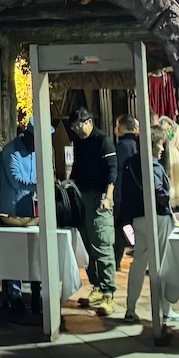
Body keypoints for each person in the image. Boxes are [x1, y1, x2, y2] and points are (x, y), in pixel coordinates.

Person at [120, 127, 179, 324]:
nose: (162, 148)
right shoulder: (153, 166)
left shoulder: (130, 164)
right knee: (162, 262)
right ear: (152, 144)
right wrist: (166, 195)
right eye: (160, 144)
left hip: (138, 218)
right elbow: (159, 192)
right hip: (158, 217)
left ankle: (130, 308)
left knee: (138, 263)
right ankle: (165, 308)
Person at [67, 107, 117, 311]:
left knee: (102, 244)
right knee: (87, 244)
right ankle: (96, 285)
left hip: (99, 198)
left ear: (89, 121)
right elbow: (76, 167)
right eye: (74, 127)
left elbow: (112, 170)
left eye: (79, 126)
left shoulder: (103, 140)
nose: (77, 130)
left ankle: (108, 292)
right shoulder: (79, 143)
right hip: (82, 197)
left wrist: (108, 197)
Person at [0, 115, 41, 314]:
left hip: (29, 211)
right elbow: (16, 180)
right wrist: (41, 185)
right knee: (13, 255)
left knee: (32, 254)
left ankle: (37, 295)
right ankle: (14, 298)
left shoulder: (35, 152)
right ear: (28, 135)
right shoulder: (10, 151)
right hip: (10, 210)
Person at [112, 116, 140, 271]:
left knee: (121, 226)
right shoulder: (139, 144)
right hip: (138, 193)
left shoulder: (120, 147)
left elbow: (117, 173)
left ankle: (116, 260)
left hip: (122, 193)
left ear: (121, 128)